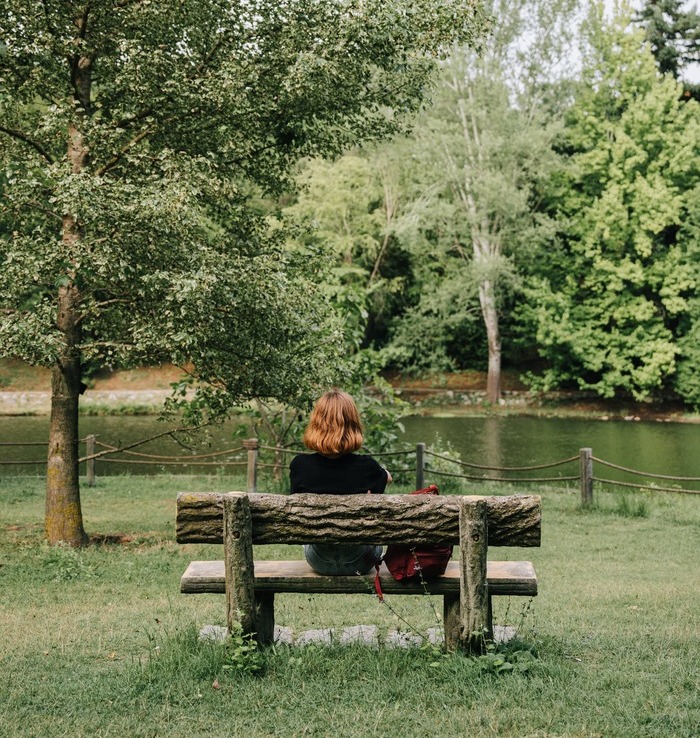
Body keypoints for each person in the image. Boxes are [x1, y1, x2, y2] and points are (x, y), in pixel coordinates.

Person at [289, 389, 392, 575]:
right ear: (353, 424)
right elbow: (383, 484)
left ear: (316, 424)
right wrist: (383, 474)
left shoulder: (300, 466)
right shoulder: (367, 467)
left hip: (318, 559)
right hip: (361, 559)